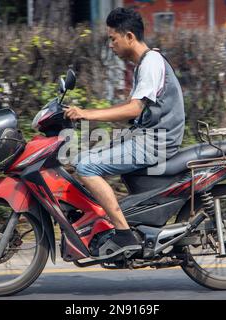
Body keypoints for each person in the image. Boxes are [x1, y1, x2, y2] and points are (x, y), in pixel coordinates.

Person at [63, 7, 185, 256]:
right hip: (147, 137)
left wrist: (87, 114)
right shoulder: (145, 64)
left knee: (86, 166)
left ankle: (123, 234)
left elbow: (132, 109)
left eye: (112, 38)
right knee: (80, 158)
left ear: (129, 36)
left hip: (155, 142)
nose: (110, 45)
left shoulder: (151, 63)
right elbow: (136, 111)